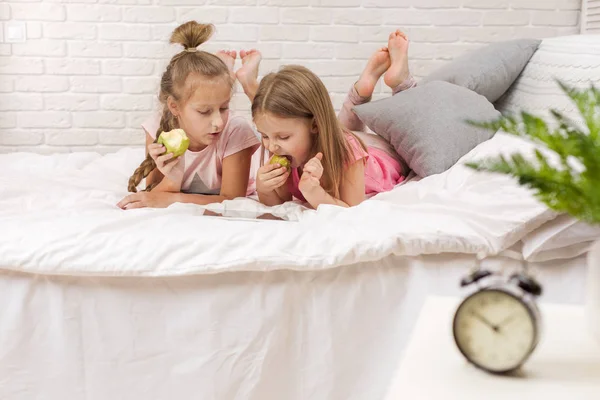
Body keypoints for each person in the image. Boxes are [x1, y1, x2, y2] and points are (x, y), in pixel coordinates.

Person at [118, 21, 260, 210]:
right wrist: (173, 178)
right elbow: (153, 193)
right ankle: (222, 72)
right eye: (204, 111)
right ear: (174, 107)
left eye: (224, 108)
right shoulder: (157, 127)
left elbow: (232, 200)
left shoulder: (235, 129)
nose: (218, 122)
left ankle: (240, 80)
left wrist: (174, 199)